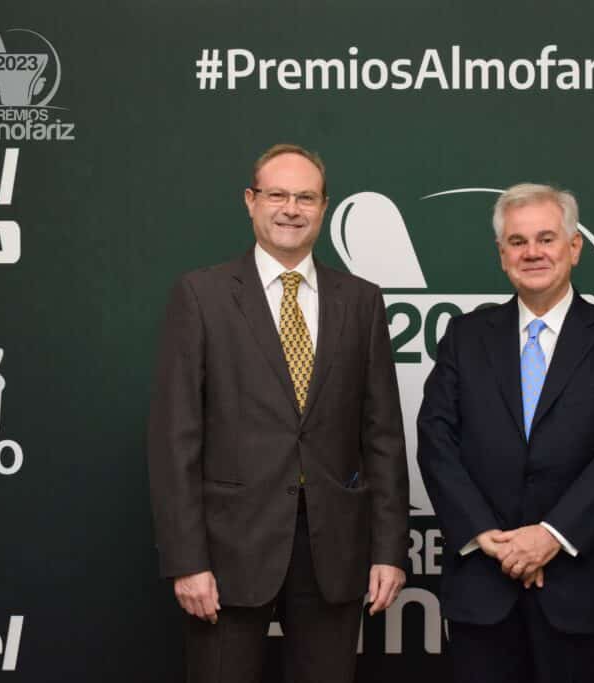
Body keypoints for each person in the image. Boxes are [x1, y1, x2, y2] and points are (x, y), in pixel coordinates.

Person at [148, 143, 408, 683]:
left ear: (324, 207)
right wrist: (187, 560)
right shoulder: (201, 295)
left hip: (333, 550)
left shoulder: (362, 301)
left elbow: (382, 436)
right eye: (277, 195)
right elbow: (175, 439)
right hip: (228, 551)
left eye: (306, 197)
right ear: (251, 200)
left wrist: (389, 551)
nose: (291, 209)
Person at [417, 183, 594, 683]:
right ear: (502, 254)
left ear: (574, 247)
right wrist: (486, 536)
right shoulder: (464, 336)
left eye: (546, 239)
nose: (532, 252)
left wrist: (551, 535)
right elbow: (436, 439)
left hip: (581, 590)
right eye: (518, 241)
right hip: (484, 584)